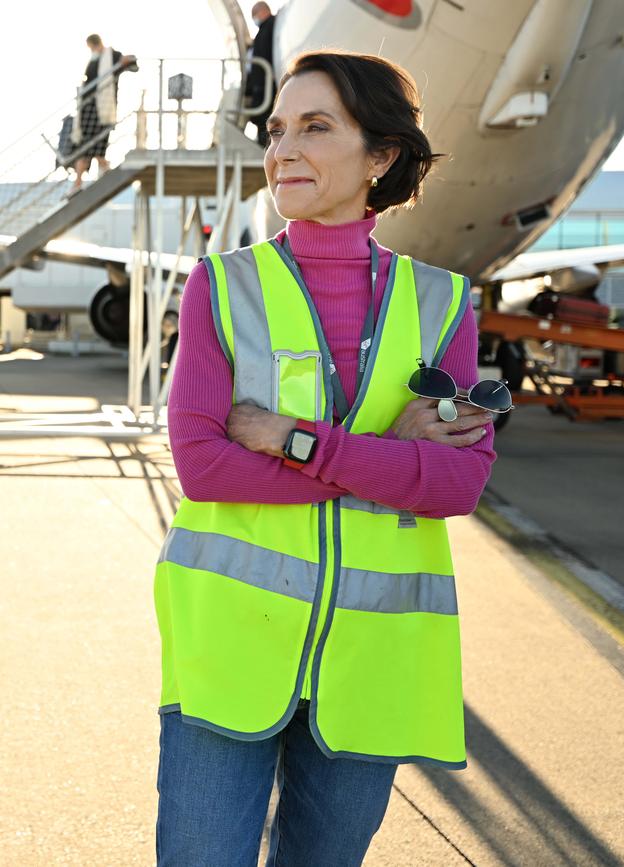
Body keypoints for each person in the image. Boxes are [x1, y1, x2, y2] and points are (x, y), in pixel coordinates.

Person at [154, 50, 496, 866]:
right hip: (231, 651)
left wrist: (290, 439)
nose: (284, 150)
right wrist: (386, 461)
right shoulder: (222, 285)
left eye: (316, 127)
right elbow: (204, 465)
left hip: (370, 663)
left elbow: (457, 482)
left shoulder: (441, 303)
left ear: (381, 156)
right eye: (277, 130)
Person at [69, 34, 137, 194]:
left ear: (95, 44)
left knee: (93, 145)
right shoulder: (94, 61)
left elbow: (131, 63)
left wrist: (126, 61)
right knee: (86, 146)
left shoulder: (111, 56)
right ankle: (99, 170)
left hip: (102, 109)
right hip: (87, 109)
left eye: (92, 47)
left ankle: (91, 175)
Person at [245, 2, 276, 145]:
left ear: (262, 12)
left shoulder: (269, 28)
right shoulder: (266, 29)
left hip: (264, 86)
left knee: (264, 121)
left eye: (254, 15)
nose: (254, 19)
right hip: (262, 86)